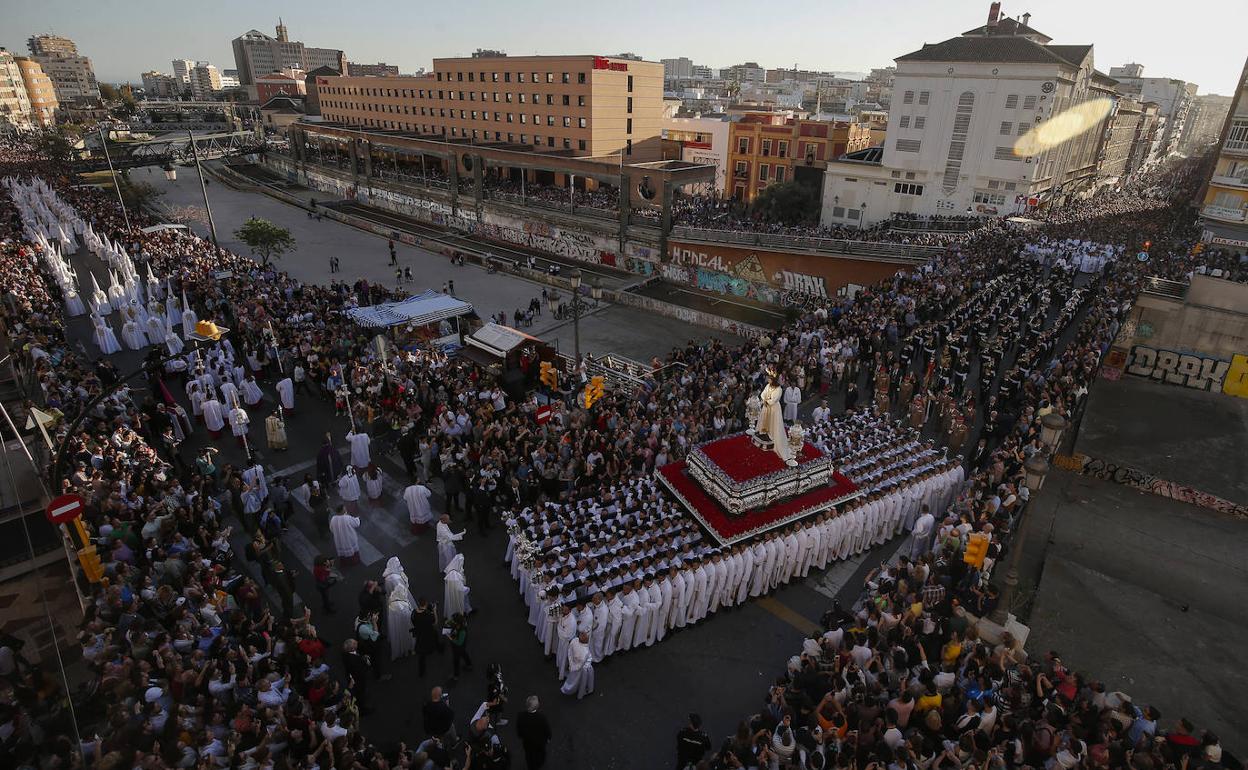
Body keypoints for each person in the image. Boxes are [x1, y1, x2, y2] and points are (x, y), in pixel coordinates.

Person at [516, 695, 553, 770]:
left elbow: (519, 731)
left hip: (527, 742)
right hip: (539, 742)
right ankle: (538, 764)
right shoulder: (542, 718)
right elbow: (547, 730)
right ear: (537, 706)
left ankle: (531, 766)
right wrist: (548, 738)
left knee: (529, 755)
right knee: (540, 755)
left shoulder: (520, 716)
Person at [409, 596, 441, 677]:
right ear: (426, 604)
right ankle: (439, 649)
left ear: (419, 604)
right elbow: (435, 622)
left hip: (420, 634)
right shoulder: (428, 614)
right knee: (435, 639)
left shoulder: (414, 613)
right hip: (429, 633)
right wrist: (434, 611)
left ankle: (421, 673)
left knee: (421, 655)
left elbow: (413, 622)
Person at [559, 631, 594, 700]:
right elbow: (581, 665)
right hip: (584, 669)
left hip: (574, 664)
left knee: (573, 678)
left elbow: (570, 652)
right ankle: (582, 692)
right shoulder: (585, 652)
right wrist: (574, 667)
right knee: (583, 682)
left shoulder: (574, 641)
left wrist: (571, 664)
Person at [444, 612, 473, 679]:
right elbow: (449, 622)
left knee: (456, 660)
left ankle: (456, 675)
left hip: (458, 647)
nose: (452, 620)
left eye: (453, 619)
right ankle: (469, 665)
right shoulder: (458, 623)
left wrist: (450, 638)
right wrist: (448, 622)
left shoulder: (462, 631)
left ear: (457, 622)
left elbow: (459, 642)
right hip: (460, 647)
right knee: (464, 653)